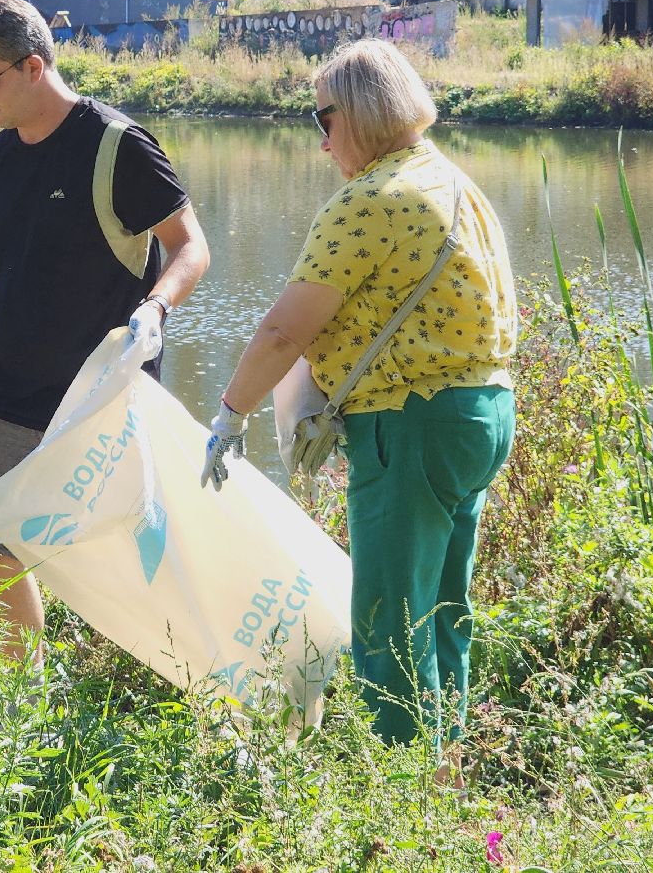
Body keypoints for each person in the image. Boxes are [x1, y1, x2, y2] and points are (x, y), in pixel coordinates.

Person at [200, 39, 517, 764]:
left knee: (388, 619)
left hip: (413, 423)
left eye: (323, 118)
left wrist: (230, 416)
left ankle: (402, 802)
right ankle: (444, 771)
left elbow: (284, 330)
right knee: (442, 609)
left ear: (362, 111)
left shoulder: (372, 200)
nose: (320, 141)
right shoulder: (453, 181)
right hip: (484, 411)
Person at [0, 0, 210, 664]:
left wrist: (156, 308)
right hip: (4, 398)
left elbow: (191, 248)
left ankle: (149, 688)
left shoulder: (116, 145)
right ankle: (24, 704)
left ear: (33, 66)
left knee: (117, 567)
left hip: (100, 405)